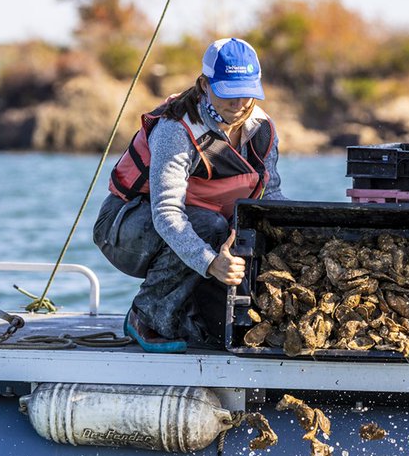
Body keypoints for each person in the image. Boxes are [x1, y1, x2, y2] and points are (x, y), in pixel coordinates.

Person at [93, 37, 284, 352]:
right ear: (205, 84)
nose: (238, 105)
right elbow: (167, 213)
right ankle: (147, 315)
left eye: (246, 95)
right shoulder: (176, 129)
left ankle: (188, 314)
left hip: (201, 228)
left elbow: (271, 198)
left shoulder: (262, 130)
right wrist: (211, 263)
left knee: (243, 236)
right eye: (228, 94)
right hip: (124, 230)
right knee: (210, 226)